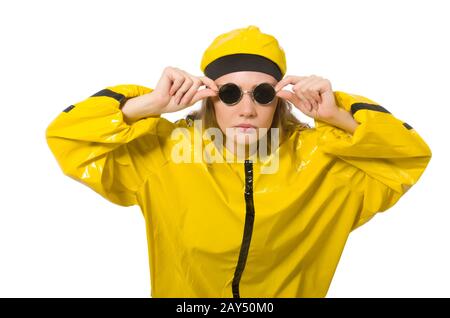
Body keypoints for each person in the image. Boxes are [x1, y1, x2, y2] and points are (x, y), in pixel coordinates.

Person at [45, 25, 432, 298]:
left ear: (280, 99)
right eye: (229, 93)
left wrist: (337, 117)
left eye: (263, 93)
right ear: (207, 97)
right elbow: (69, 138)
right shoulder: (164, 154)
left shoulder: (324, 163)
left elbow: (407, 156)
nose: (246, 108)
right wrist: (149, 105)